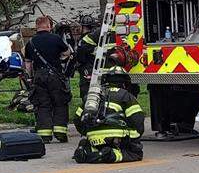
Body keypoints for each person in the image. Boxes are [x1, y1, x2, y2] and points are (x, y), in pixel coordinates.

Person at [73, 70, 144, 163]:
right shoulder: (126, 95)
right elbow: (138, 121)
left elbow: (77, 119)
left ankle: (89, 151)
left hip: (93, 138)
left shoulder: (93, 96)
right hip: (115, 139)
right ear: (125, 83)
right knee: (136, 154)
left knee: (94, 146)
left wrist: (88, 133)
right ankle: (111, 155)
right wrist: (133, 140)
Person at [24, 15, 73, 143]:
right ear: (49, 26)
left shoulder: (31, 42)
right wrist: (60, 60)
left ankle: (45, 135)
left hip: (39, 76)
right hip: (55, 75)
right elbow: (67, 52)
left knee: (42, 105)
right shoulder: (56, 39)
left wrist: (29, 77)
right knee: (60, 102)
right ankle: (60, 133)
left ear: (36, 27)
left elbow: (28, 63)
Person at [69, 14, 100, 100]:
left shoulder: (84, 40)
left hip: (87, 70)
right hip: (99, 68)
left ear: (82, 27)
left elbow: (81, 58)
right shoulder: (99, 38)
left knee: (87, 94)